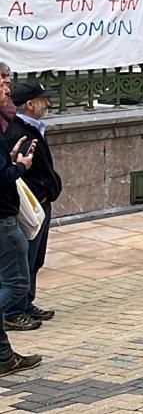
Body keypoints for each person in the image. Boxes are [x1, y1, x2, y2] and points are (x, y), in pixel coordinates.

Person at [2, 83, 59, 331]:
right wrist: (41, 190)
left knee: (35, 258)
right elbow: (17, 174)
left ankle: (26, 302)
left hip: (41, 201)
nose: (47, 104)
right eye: (43, 100)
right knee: (24, 259)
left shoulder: (33, 128)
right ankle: (14, 310)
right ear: (31, 105)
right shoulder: (20, 132)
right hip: (30, 204)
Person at [0, 120, 39, 375]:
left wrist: (10, 159)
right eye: (1, 80)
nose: (6, 86)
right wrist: (19, 167)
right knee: (17, 284)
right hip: (3, 220)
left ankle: (4, 358)